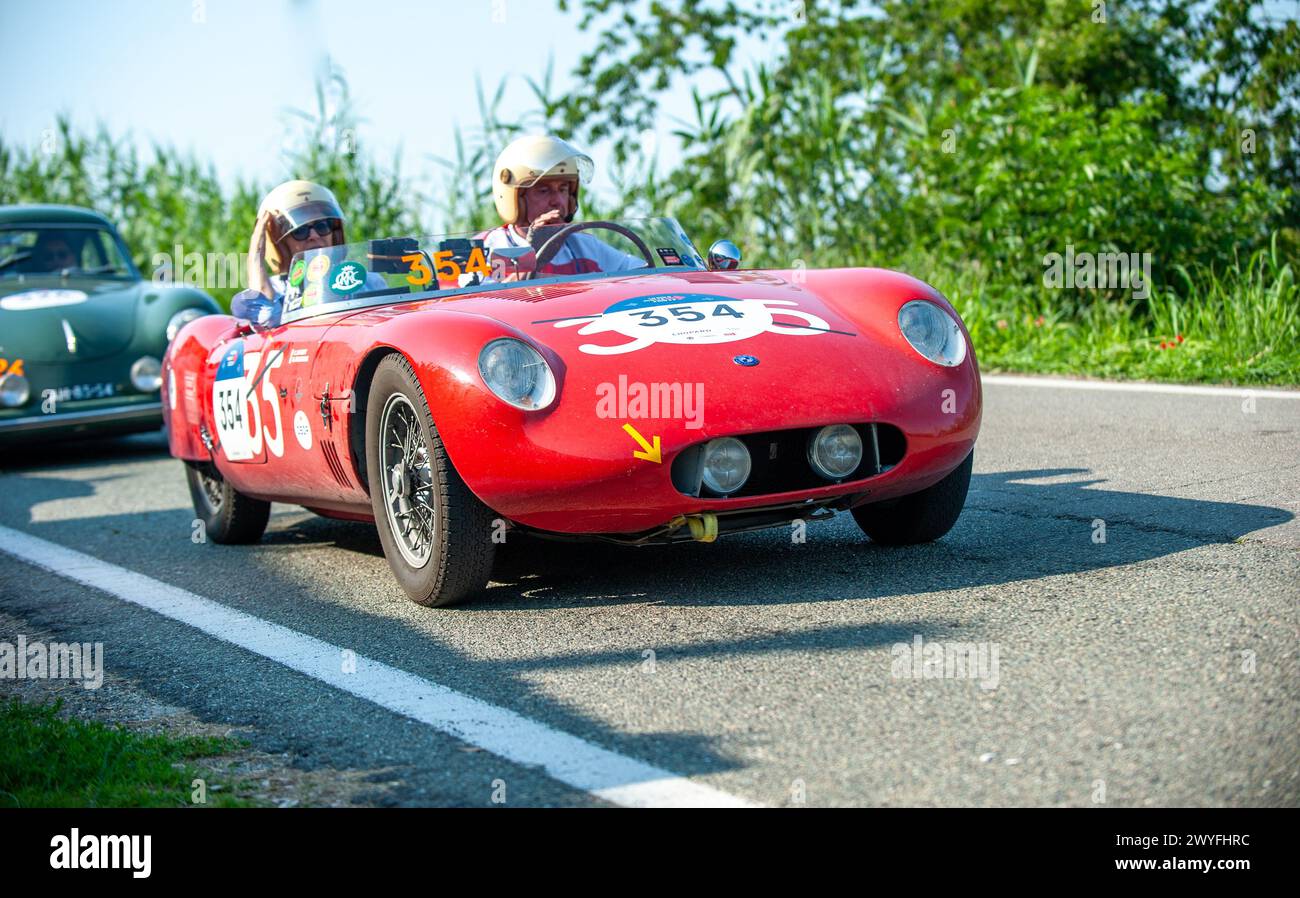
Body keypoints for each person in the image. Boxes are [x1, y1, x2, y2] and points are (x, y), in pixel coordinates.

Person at [481, 135, 645, 279]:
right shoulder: (484, 249)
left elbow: (642, 273)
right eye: (544, 191)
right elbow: (480, 301)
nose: (557, 201)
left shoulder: (584, 247)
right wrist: (535, 254)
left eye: (563, 189)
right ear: (516, 199)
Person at [232, 179, 384, 327]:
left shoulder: (366, 281)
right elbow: (267, 318)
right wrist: (255, 255)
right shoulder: (274, 289)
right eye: (300, 230)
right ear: (280, 243)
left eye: (322, 226)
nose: (314, 235)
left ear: (335, 233)